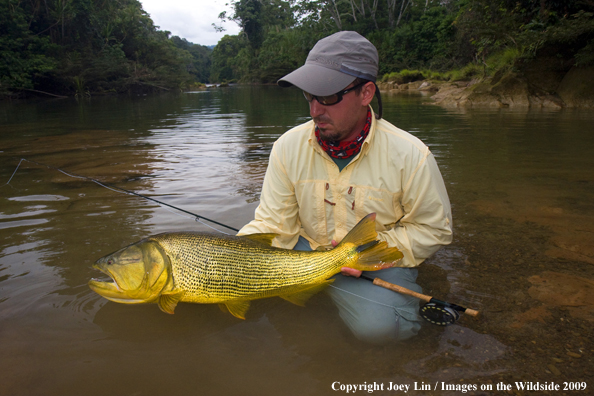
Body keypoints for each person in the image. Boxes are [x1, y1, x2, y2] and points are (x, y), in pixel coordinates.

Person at [237, 31, 452, 344]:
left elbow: (435, 230)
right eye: (309, 96)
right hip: (304, 250)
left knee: (382, 330)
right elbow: (274, 224)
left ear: (366, 93)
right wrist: (226, 258)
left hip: (370, 258)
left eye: (326, 97)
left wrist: (363, 251)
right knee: (236, 286)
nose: (314, 111)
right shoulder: (286, 147)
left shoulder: (411, 155)